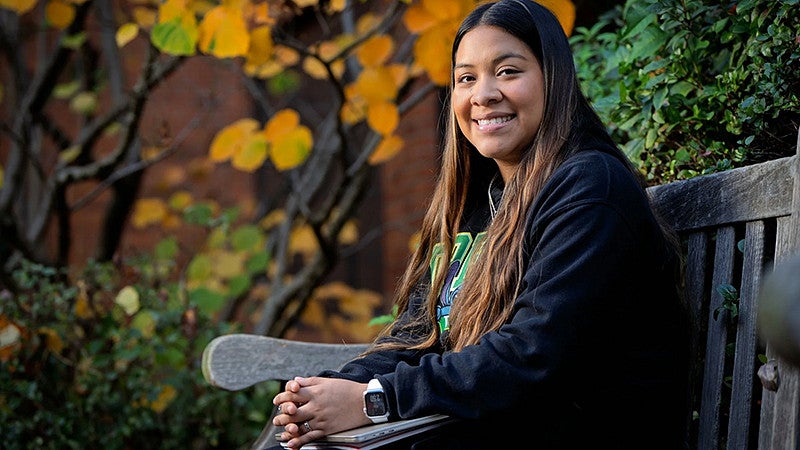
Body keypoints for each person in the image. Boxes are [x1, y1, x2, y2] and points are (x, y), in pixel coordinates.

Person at [272, 0, 690, 448]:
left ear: (555, 78)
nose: (483, 94)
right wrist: (323, 393)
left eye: (508, 71)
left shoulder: (590, 188)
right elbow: (419, 333)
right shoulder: (477, 203)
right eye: (466, 78)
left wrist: (373, 400)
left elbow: (532, 352)